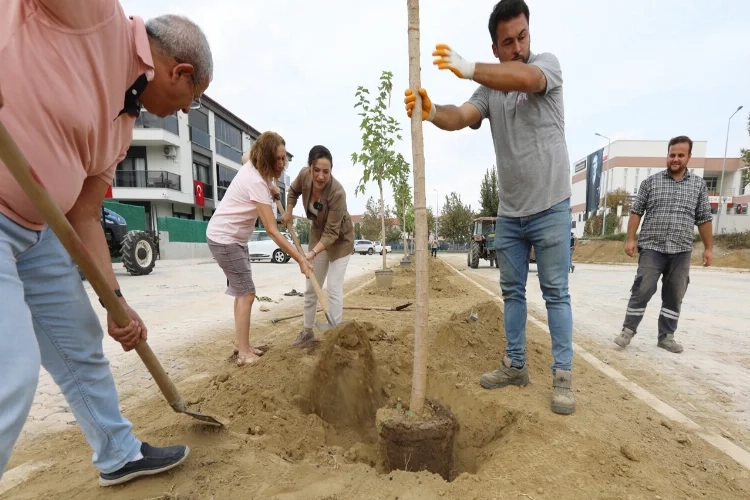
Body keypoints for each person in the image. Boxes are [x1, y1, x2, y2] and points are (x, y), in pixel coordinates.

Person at [0, 2, 212, 485]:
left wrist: (118, 304)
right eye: (192, 98)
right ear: (179, 71)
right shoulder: (95, 15)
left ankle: (117, 451)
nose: (185, 110)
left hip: (40, 233)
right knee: (10, 374)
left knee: (81, 345)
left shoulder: (123, 125)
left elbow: (86, 212)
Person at [404, 0, 575, 415]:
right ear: (495, 47)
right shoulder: (489, 91)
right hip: (512, 215)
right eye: (507, 42)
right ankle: (516, 365)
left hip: (552, 206)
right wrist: (430, 113)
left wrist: (469, 66)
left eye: (522, 37)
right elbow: (461, 115)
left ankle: (563, 376)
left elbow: (525, 77)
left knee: (555, 294)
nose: (517, 47)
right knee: (512, 293)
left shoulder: (545, 66)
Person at [206, 132, 312, 364]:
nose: (282, 164)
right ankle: (243, 352)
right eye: (278, 159)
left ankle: (240, 344)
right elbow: (273, 231)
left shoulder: (254, 165)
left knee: (241, 292)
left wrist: (272, 185)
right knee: (247, 293)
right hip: (226, 239)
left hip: (232, 238)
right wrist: (301, 260)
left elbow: (246, 157)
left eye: (285, 158)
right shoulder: (255, 183)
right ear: (265, 158)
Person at [614, 136, 713, 354]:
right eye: (672, 155)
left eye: (680, 155)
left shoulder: (698, 185)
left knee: (675, 293)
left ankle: (666, 336)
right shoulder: (650, 182)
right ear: (667, 155)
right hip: (652, 247)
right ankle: (627, 331)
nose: (675, 159)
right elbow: (636, 212)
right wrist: (630, 239)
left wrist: (708, 248)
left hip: (681, 249)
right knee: (642, 288)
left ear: (689, 157)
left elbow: (704, 218)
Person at [282, 145, 355, 347]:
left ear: (331, 171)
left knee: (333, 287)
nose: (321, 176)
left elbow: (332, 233)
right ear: (310, 167)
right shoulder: (304, 176)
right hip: (317, 234)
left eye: (326, 171)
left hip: (340, 240)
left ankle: (336, 336)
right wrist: (288, 211)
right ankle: (307, 332)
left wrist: (311, 253)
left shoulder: (337, 192)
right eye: (317, 170)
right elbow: (292, 191)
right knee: (312, 286)